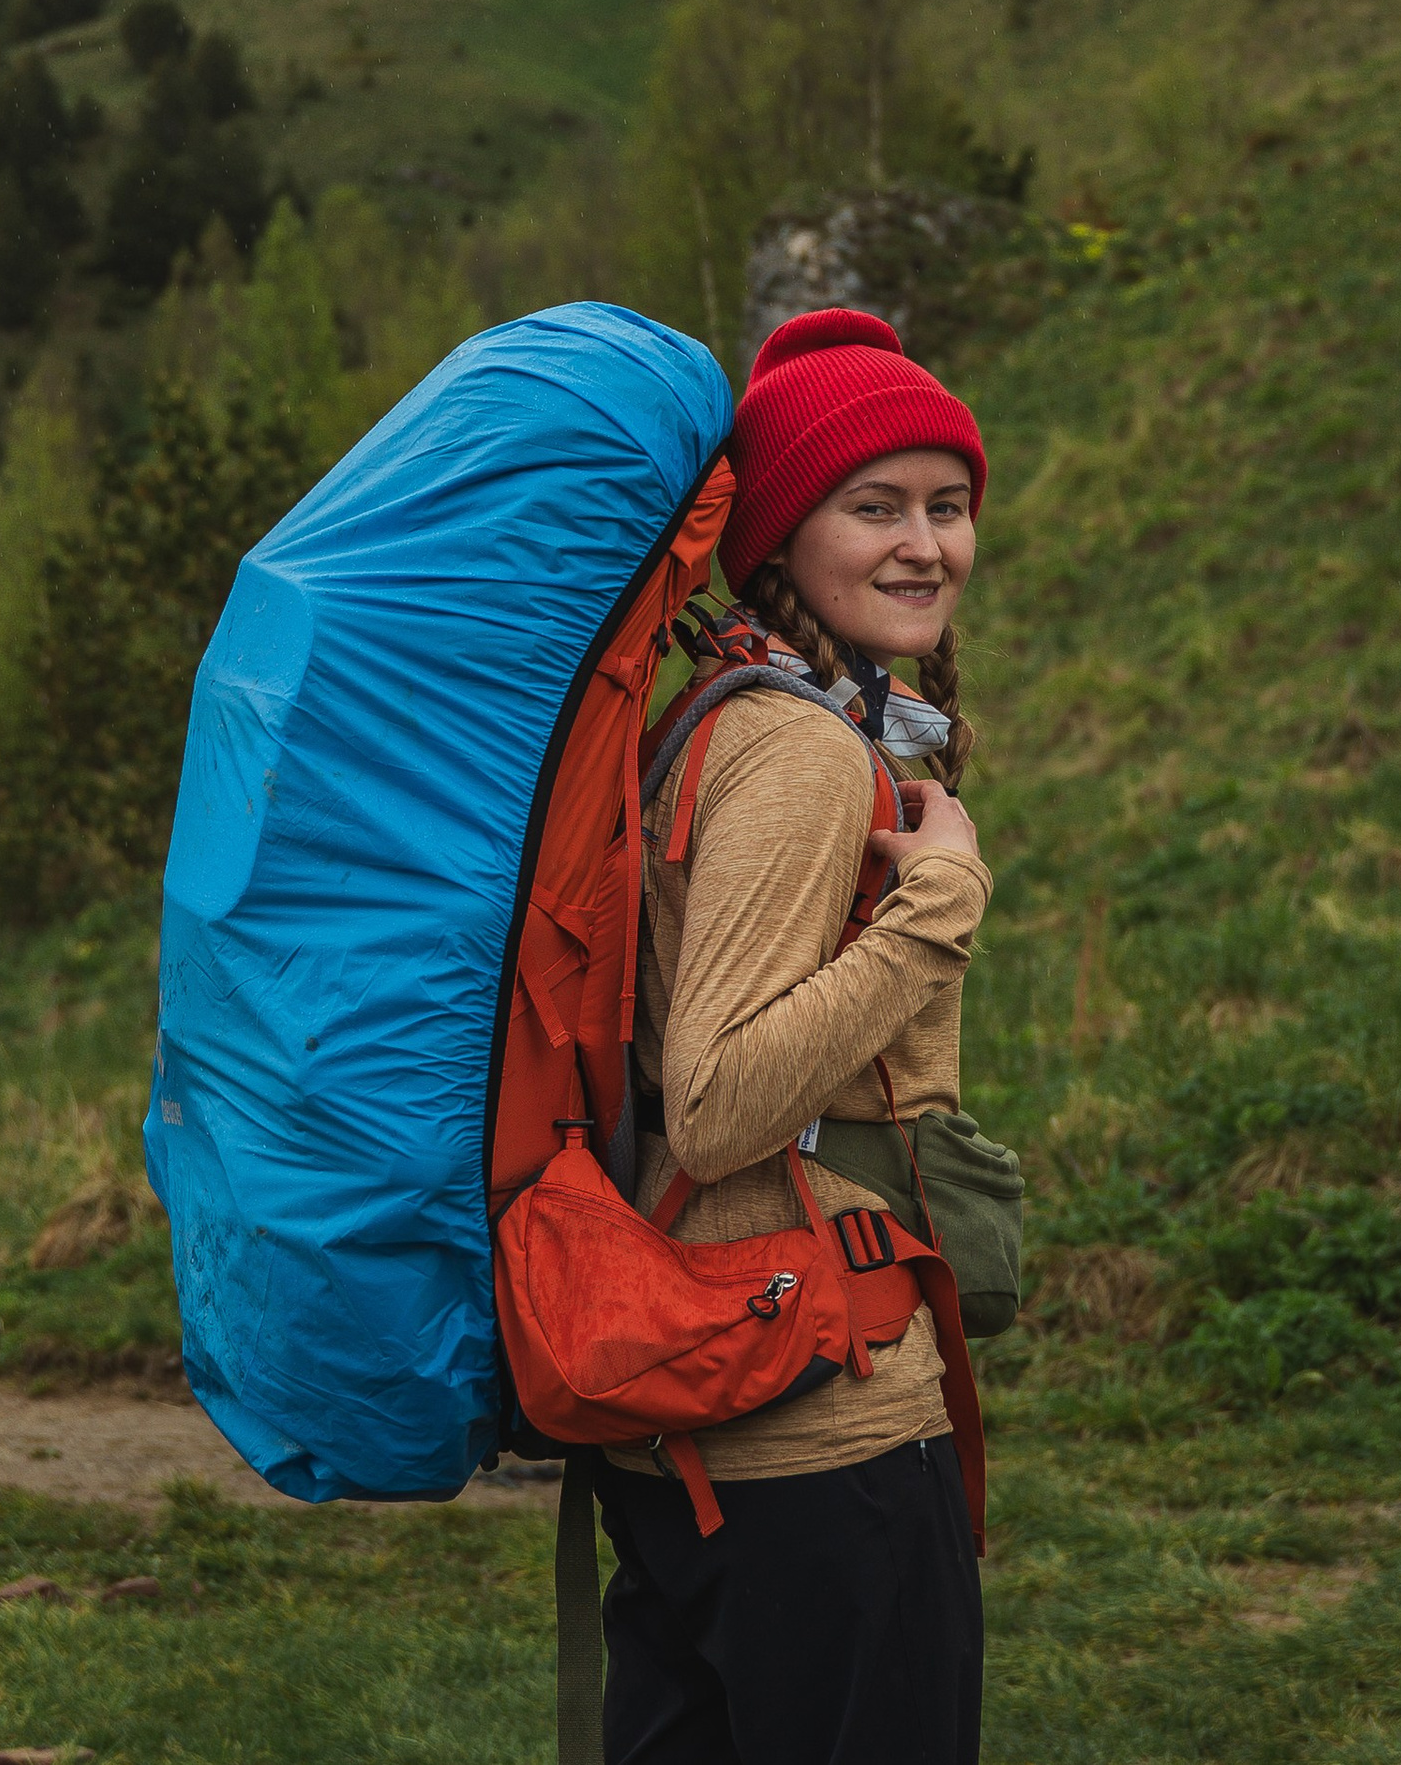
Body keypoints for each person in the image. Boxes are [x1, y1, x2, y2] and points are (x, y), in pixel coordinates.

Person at [596, 308, 993, 1765]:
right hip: (814, 1439)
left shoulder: (727, 712)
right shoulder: (796, 751)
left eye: (945, 506)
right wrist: (937, 905)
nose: (923, 544)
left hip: (714, 1417)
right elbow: (712, 1098)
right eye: (871, 505)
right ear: (777, 535)